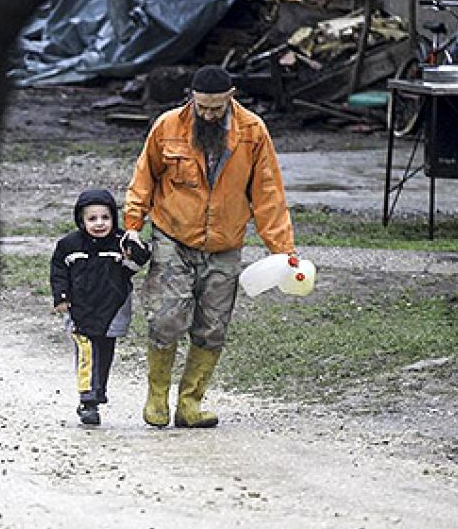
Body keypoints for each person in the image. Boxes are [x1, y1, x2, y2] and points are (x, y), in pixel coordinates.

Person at [123, 65, 296, 429]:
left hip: (225, 244)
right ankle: (157, 397)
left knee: (212, 327)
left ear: (231, 97)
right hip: (172, 236)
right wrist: (133, 227)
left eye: (217, 108)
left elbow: (268, 194)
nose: (209, 114)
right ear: (193, 98)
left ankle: (190, 403)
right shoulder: (167, 127)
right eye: (202, 106)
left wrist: (282, 249)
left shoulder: (253, 132)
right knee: (166, 317)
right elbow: (144, 177)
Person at [50, 188, 150, 426]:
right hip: (80, 308)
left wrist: (135, 248)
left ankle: (98, 389)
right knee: (86, 350)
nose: (99, 223)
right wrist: (61, 297)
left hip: (111, 307)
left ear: (113, 218)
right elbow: (58, 272)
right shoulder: (69, 245)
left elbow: (136, 265)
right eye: (92, 218)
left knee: (104, 351)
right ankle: (87, 399)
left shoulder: (120, 242)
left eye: (105, 217)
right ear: (81, 220)